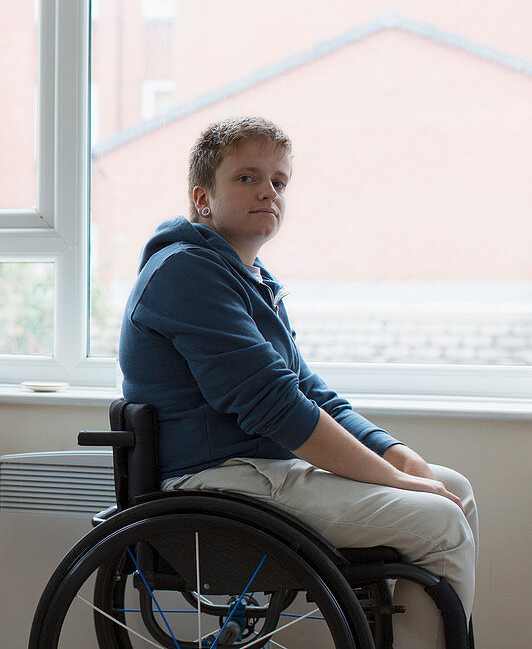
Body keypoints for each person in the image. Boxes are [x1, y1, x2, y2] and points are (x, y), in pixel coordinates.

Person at [117, 116, 477, 649]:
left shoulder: (248, 282)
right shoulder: (185, 273)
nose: (269, 191)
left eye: (279, 181)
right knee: (439, 521)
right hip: (215, 487)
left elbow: (313, 394)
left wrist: (402, 459)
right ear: (203, 198)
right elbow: (276, 408)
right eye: (247, 178)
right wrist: (395, 482)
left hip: (259, 473)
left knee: (456, 491)